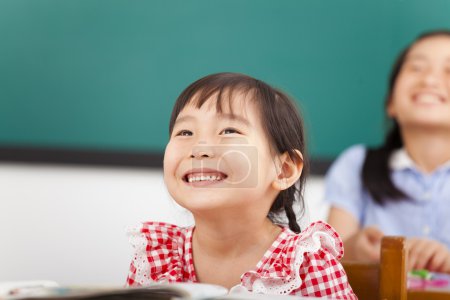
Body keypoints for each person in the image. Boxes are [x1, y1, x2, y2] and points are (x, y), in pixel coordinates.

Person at [126, 72, 356, 298]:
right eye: (185, 132)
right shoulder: (155, 259)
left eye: (229, 131)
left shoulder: (308, 266)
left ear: (284, 169)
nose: (200, 148)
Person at [325, 30, 450, 274]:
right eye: (416, 68)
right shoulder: (356, 164)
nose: (429, 81)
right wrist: (357, 248)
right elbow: (328, 260)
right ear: (391, 102)